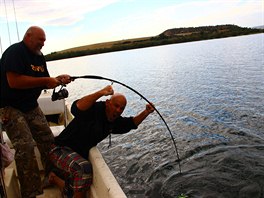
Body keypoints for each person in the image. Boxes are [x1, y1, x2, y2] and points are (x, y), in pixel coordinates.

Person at [0, 26, 71, 198]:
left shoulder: (39, 57)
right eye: (41, 40)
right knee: (25, 146)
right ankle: (30, 193)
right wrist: (46, 80)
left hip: (31, 105)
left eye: (44, 40)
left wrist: (56, 79)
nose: (43, 44)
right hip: (10, 107)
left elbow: (43, 81)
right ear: (28, 36)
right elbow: (14, 81)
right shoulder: (14, 52)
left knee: (48, 140)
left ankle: (51, 176)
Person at [49, 85, 155, 198]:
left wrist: (146, 112)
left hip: (76, 157)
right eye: (116, 106)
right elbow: (76, 108)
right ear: (108, 103)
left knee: (75, 190)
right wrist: (101, 92)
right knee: (84, 169)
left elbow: (131, 124)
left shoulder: (113, 121)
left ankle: (54, 178)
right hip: (59, 150)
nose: (118, 110)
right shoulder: (95, 109)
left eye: (122, 108)